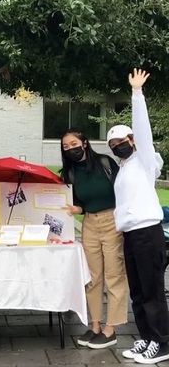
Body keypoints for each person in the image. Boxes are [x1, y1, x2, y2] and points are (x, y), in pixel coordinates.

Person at [107, 68, 169, 364]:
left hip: (147, 233)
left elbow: (143, 130)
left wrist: (136, 93)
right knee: (139, 292)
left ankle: (162, 342)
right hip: (130, 236)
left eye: (120, 140)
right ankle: (146, 338)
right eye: (111, 144)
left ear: (131, 140)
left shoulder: (145, 161)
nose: (116, 146)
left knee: (153, 291)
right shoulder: (122, 170)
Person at [60, 128, 128, 349]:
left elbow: (124, 191)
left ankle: (111, 328)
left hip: (112, 221)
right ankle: (95, 325)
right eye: (65, 146)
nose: (70, 148)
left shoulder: (105, 163)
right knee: (93, 277)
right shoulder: (69, 173)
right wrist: (75, 208)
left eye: (73, 143)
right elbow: (80, 204)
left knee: (114, 275)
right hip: (89, 223)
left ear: (85, 143)